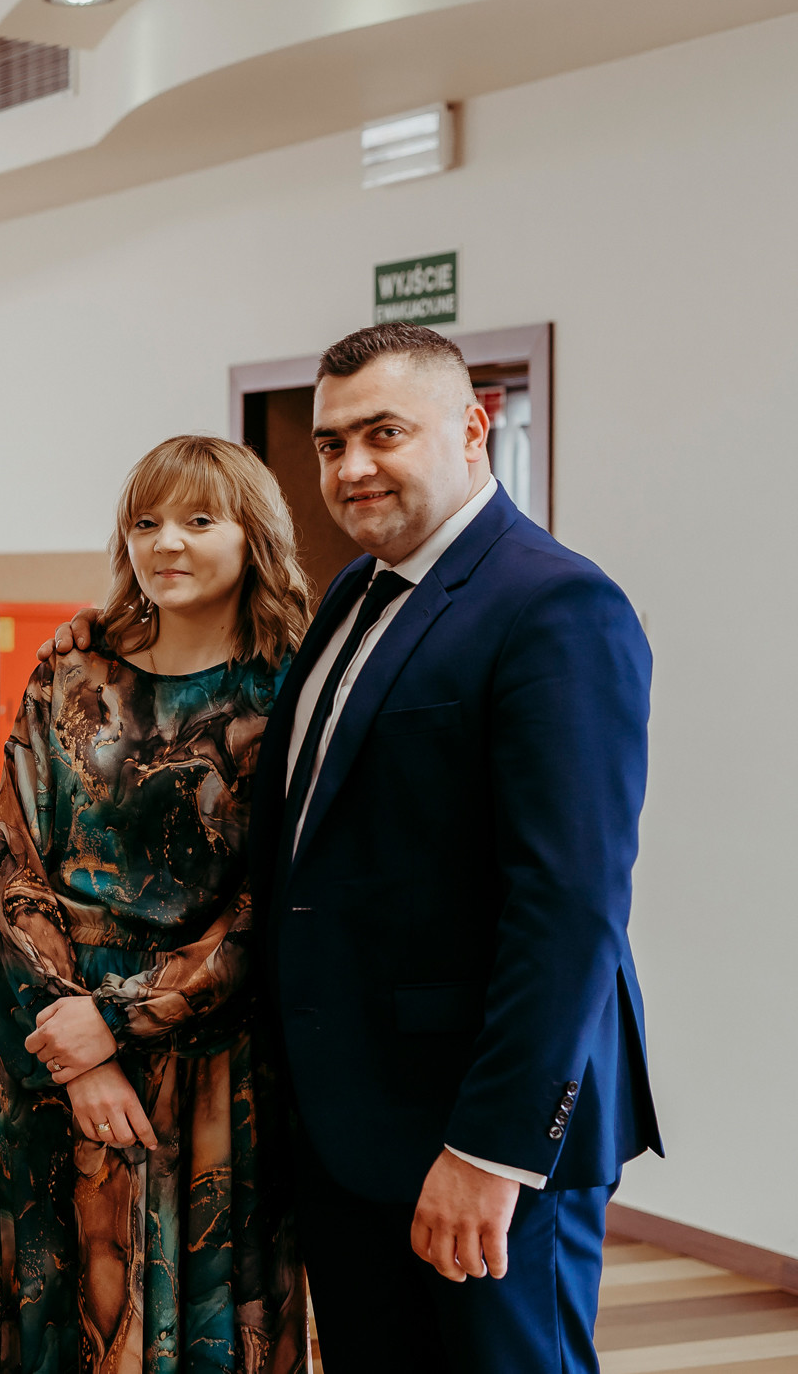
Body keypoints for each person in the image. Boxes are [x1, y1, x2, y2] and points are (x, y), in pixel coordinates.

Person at [49, 324, 661, 1371]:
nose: (351, 466)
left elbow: (569, 907)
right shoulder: (350, 593)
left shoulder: (553, 603)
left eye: (384, 433)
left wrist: (490, 1149)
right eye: (332, 443)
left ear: (472, 429)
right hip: (348, 1121)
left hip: (472, 1128)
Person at [0, 436, 311, 1373]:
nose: (166, 542)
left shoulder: (291, 689)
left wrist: (122, 1020)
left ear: (254, 536)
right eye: (146, 521)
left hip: (212, 1063)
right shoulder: (72, 670)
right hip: (54, 1049)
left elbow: (276, 901)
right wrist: (78, 1045)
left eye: (200, 520)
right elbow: (14, 861)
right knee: (65, 1328)